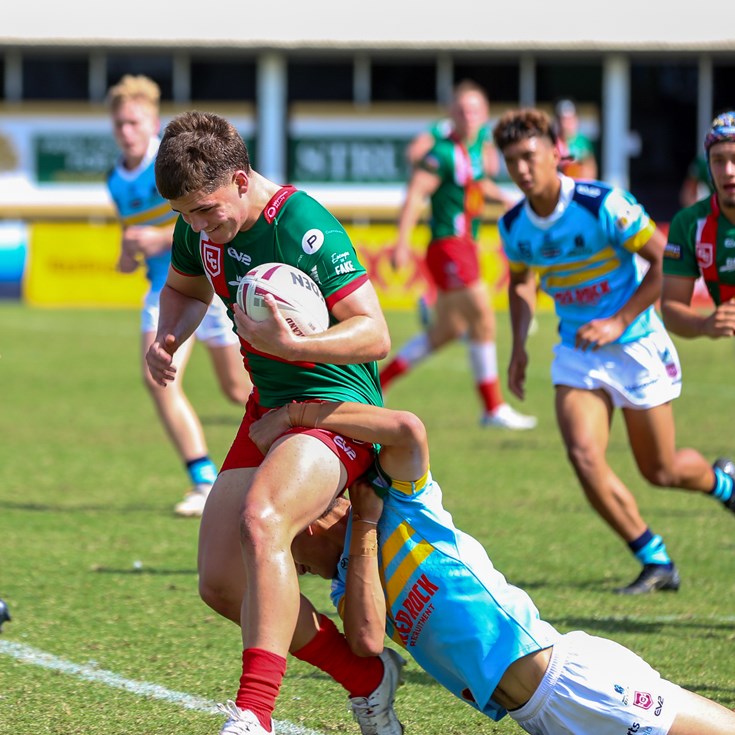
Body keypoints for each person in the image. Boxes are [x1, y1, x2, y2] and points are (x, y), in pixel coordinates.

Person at [249, 400, 735, 735]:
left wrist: (297, 416)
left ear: (307, 525)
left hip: (572, 683)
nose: (303, 573)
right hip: (536, 714)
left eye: (292, 558)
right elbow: (368, 640)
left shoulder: (403, 502)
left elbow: (407, 429)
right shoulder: (351, 579)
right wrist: (367, 528)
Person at [146, 110, 397, 735]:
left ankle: (252, 717)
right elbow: (184, 289)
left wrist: (294, 348)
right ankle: (367, 678)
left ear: (238, 178)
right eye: (184, 215)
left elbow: (375, 334)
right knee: (221, 583)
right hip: (268, 412)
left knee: (263, 521)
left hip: (336, 406)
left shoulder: (302, 225)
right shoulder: (202, 227)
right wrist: (167, 335)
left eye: (205, 210)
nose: (199, 226)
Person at [492, 108, 734, 595]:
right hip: (578, 351)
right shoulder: (514, 225)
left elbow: (664, 264)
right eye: (511, 160)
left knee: (661, 470)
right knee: (583, 454)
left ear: (556, 153)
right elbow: (521, 284)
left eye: (529, 156)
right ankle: (654, 558)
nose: (521, 169)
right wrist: (519, 345)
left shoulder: (602, 203)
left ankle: (724, 483)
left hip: (637, 344)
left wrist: (618, 320)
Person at [106, 75, 252, 517]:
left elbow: (205, 223)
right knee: (159, 375)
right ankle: (203, 477)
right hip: (166, 290)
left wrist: (154, 240)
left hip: (208, 279)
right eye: (120, 124)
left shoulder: (169, 164)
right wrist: (129, 254)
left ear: (153, 123)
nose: (127, 132)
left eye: (135, 122)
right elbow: (133, 243)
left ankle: (307, 430)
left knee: (237, 388)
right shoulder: (115, 178)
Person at [380, 81, 537, 431]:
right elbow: (415, 193)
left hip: (465, 244)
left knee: (447, 331)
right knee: (483, 314)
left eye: (475, 110)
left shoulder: (475, 150)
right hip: (448, 245)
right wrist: (402, 243)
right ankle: (493, 408)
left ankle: (379, 383)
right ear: (452, 115)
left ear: (484, 116)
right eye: (462, 110)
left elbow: (477, 184)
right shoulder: (443, 153)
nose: (469, 116)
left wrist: (507, 198)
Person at [553, 99, 598, 180]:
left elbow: (590, 169)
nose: (566, 123)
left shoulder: (583, 142)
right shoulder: (553, 142)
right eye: (563, 119)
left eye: (570, 119)